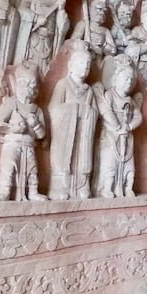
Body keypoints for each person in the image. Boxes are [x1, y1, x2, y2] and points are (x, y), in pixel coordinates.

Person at [0, 63, 47, 201]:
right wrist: (13, 128)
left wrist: (36, 125)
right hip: (12, 144)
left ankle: (33, 192)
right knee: (8, 167)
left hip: (29, 146)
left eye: (34, 84)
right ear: (20, 84)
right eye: (27, 84)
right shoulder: (11, 103)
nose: (31, 88)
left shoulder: (37, 109)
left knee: (32, 171)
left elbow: (42, 135)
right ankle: (4, 191)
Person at [48, 41, 98, 200]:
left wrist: (89, 113)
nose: (85, 67)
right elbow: (53, 108)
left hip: (83, 133)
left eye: (88, 65)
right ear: (71, 65)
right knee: (63, 160)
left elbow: (95, 112)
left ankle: (81, 187)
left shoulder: (89, 91)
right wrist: (73, 110)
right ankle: (59, 188)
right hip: (65, 133)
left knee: (81, 160)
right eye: (81, 63)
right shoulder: (63, 84)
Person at [95, 55, 143, 198]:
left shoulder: (130, 101)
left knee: (129, 166)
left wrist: (129, 127)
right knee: (110, 163)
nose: (128, 82)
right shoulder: (109, 95)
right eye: (125, 78)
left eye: (131, 80)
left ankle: (127, 187)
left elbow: (138, 116)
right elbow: (105, 111)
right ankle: (107, 187)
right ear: (116, 79)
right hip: (111, 136)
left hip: (127, 137)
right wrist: (117, 128)